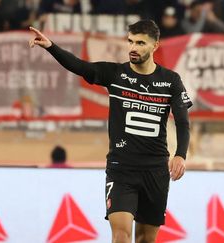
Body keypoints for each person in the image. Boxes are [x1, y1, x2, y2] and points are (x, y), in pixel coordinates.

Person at [29, 19, 192, 243]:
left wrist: (180, 154)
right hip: (121, 169)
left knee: (145, 239)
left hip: (155, 171)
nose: (133, 48)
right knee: (121, 235)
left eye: (141, 43)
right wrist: (51, 47)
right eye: (130, 41)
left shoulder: (171, 81)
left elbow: (183, 122)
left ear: (155, 46)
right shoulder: (115, 74)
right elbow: (80, 66)